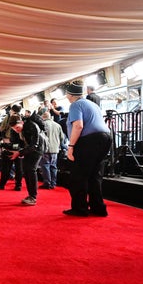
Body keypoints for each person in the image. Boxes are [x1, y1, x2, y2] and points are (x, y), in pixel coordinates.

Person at [62, 80, 112, 217]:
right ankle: (98, 208)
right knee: (94, 176)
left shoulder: (75, 105)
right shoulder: (92, 104)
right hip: (105, 138)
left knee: (78, 176)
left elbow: (78, 125)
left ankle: (80, 208)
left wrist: (71, 146)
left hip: (89, 141)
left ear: (70, 94)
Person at [6, 114, 46, 205]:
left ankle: (33, 197)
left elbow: (34, 145)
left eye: (17, 127)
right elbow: (18, 143)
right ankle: (31, 195)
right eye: (14, 129)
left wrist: (20, 152)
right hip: (28, 150)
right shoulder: (18, 130)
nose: (16, 130)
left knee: (31, 170)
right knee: (26, 171)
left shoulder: (32, 125)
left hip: (37, 149)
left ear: (22, 122)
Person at [40, 111, 64, 189]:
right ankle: (53, 183)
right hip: (55, 149)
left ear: (43, 117)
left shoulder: (42, 125)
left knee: (45, 166)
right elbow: (62, 138)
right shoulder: (57, 125)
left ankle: (47, 183)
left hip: (45, 149)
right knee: (53, 166)